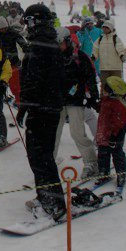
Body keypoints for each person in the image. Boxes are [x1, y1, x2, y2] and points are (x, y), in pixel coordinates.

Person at [17, 4, 66, 220]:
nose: (26, 26)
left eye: (28, 21)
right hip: (47, 107)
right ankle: (46, 196)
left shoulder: (40, 44)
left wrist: (25, 106)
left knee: (40, 156)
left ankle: (53, 203)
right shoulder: (47, 42)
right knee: (40, 155)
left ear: (35, 21)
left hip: (42, 109)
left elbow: (33, 81)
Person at [54, 27, 99, 178]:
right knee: (54, 133)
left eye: (60, 43)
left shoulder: (79, 56)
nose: (59, 46)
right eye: (56, 43)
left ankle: (91, 161)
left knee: (77, 133)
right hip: (58, 101)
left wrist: (93, 96)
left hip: (75, 100)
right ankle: (49, 162)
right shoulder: (54, 57)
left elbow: (90, 76)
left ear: (67, 41)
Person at [95, 76, 126, 188]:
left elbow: (120, 123)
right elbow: (100, 108)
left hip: (114, 137)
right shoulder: (105, 101)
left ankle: (121, 174)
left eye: (106, 88)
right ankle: (103, 172)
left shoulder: (118, 106)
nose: (103, 90)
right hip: (103, 135)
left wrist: (115, 137)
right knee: (102, 155)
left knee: (117, 155)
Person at [92, 20, 125, 84]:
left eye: (107, 27)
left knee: (116, 86)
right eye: (103, 27)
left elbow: (120, 48)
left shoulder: (116, 39)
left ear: (111, 28)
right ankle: (104, 93)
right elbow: (95, 49)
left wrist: (122, 55)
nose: (104, 29)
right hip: (104, 68)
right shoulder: (100, 39)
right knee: (105, 86)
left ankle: (116, 94)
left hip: (115, 68)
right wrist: (94, 56)